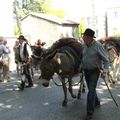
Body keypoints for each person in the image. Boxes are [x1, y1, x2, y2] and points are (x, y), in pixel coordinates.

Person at [81, 28, 109, 120]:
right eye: (83, 36)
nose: (83, 38)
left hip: (94, 71)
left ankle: (89, 112)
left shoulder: (98, 46)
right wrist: (80, 66)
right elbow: (83, 57)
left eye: (84, 36)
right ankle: (96, 102)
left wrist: (105, 71)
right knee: (91, 89)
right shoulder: (84, 45)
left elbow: (106, 60)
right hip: (86, 70)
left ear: (90, 38)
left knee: (91, 90)